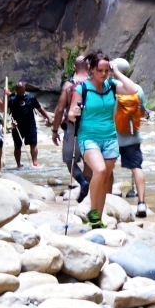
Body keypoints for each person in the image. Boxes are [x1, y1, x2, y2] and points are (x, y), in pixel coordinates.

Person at [66, 51, 140, 229]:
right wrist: (74, 114)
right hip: (88, 137)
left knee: (106, 178)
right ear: (91, 69)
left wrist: (117, 72)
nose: (103, 74)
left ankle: (96, 219)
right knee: (99, 171)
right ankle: (92, 210)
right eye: (100, 70)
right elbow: (70, 113)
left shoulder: (112, 86)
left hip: (110, 138)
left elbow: (133, 89)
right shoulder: (81, 89)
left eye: (106, 70)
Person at [111, 58, 149, 218]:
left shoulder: (110, 87)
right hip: (132, 135)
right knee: (136, 167)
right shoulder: (137, 89)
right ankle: (141, 203)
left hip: (112, 136)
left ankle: (108, 200)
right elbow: (142, 111)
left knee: (107, 168)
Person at [52, 54, 90, 201]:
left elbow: (60, 109)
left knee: (70, 160)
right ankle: (87, 193)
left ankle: (82, 182)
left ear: (75, 67)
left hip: (73, 126)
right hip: (91, 127)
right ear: (88, 67)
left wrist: (55, 130)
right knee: (89, 160)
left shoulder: (69, 86)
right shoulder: (95, 83)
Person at [8, 81, 52, 169]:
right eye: (19, 91)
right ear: (16, 90)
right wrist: (10, 123)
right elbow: (4, 109)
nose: (21, 92)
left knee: (33, 143)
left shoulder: (31, 98)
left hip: (30, 125)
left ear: (25, 89)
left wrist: (48, 117)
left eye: (22, 90)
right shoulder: (12, 100)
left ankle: (35, 163)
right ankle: (18, 164)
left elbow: (40, 108)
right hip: (16, 126)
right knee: (17, 146)